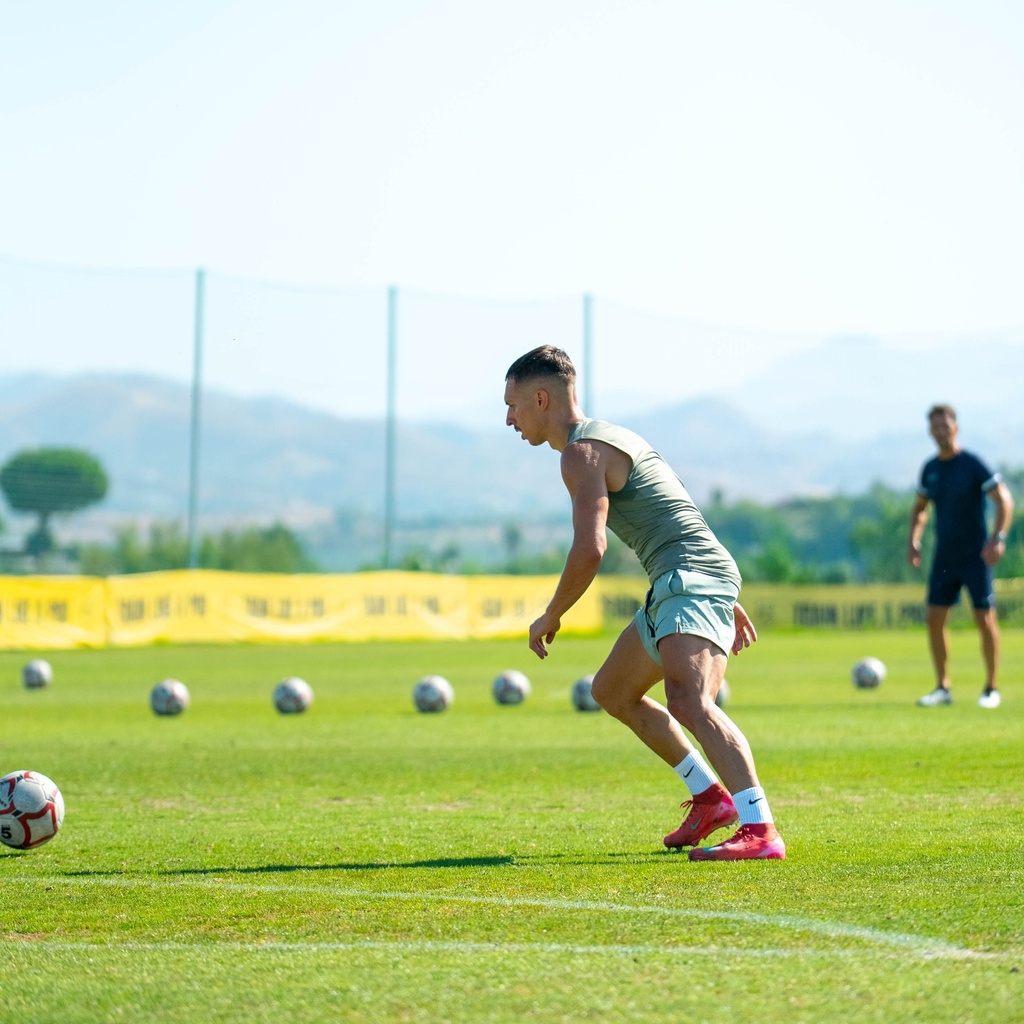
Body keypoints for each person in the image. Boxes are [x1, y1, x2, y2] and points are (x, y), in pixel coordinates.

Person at [504, 345, 784, 861]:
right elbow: (679, 509)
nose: (508, 419)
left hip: (690, 577)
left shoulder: (581, 454)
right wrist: (722, 592)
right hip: (683, 579)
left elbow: (590, 549)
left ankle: (759, 827)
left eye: (513, 406)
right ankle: (709, 798)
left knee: (690, 701)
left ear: (541, 399)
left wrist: (552, 613)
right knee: (611, 690)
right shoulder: (614, 436)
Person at [907, 404, 1014, 709]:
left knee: (984, 618)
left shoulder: (972, 464)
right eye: (935, 427)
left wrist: (998, 539)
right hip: (945, 556)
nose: (941, 431)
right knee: (933, 619)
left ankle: (991, 688)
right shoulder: (930, 469)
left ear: (956, 427)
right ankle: (943, 688)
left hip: (975, 555)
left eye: (946, 425)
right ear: (930, 431)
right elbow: (919, 509)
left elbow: (1004, 500)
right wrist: (913, 541)